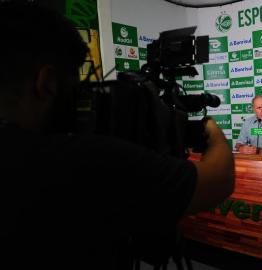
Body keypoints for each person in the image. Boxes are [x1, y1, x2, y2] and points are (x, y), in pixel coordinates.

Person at [0, 2, 234, 270]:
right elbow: (218, 180)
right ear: (48, 83)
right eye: (75, 86)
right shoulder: (80, 159)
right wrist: (212, 131)